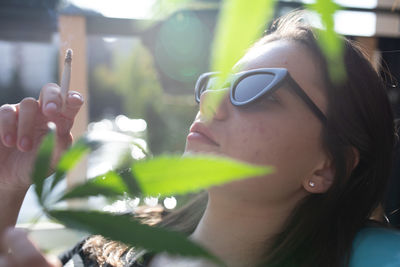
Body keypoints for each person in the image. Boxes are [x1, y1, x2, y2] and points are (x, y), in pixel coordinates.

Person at [0, 11, 398, 267]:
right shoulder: (123, 235)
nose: (210, 101)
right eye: (218, 83)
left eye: (260, 90)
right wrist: (9, 184)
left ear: (327, 165)